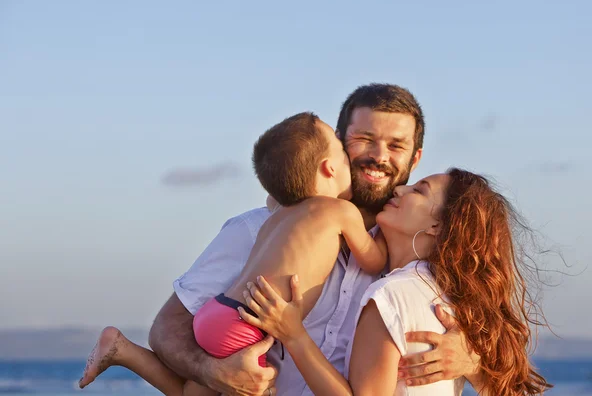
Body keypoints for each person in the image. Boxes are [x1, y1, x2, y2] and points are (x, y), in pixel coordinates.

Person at [87, 84, 482, 396]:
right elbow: (166, 330)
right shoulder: (254, 228)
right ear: (339, 145)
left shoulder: (417, 263)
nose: (379, 156)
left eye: (396, 146)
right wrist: (213, 370)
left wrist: (472, 360)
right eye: (365, 139)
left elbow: (508, 373)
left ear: (414, 159)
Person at [79, 112, 390, 396]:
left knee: (197, 391)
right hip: (248, 327)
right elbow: (374, 260)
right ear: (330, 168)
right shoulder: (341, 211)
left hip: (221, 312)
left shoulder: (278, 212)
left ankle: (124, 351)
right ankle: (124, 352)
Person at [240, 169, 553, 395]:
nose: (400, 190)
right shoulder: (446, 300)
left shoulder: (392, 293)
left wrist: (293, 335)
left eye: (418, 191)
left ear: (437, 224)